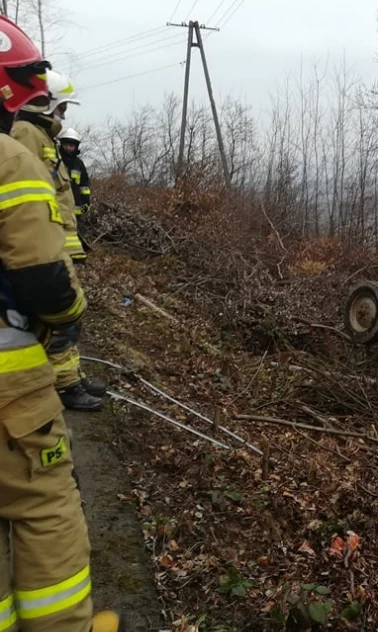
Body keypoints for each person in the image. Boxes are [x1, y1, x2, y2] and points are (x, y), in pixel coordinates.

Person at [0, 16, 124, 630]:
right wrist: (71, 309)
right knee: (44, 508)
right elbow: (44, 283)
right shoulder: (11, 156)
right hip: (9, 388)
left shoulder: (40, 145)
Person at [12, 69, 104, 412]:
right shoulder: (25, 134)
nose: (63, 115)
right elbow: (29, 200)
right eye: (61, 107)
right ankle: (64, 386)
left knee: (71, 316)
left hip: (58, 244)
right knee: (61, 316)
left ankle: (70, 377)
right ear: (44, 102)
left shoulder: (40, 137)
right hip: (43, 248)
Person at [57, 128, 90, 216]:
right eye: (66, 145)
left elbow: (84, 184)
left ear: (76, 147)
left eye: (71, 145)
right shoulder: (56, 159)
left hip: (75, 207)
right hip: (58, 204)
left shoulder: (78, 163)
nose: (68, 148)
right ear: (61, 144)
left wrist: (86, 201)